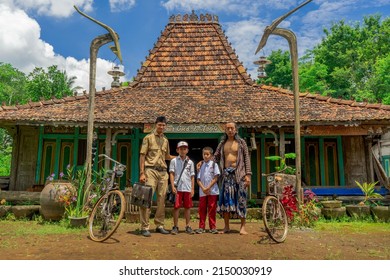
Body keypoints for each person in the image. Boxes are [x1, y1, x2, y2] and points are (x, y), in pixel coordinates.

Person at [139, 116, 175, 237]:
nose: (161, 127)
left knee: (162, 199)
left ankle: (159, 225)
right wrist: (142, 173)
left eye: (163, 125)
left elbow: (167, 157)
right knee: (147, 199)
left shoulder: (166, 140)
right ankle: (144, 226)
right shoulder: (148, 138)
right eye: (160, 125)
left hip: (163, 172)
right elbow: (142, 156)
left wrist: (182, 157)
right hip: (150, 171)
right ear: (156, 125)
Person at [214, 122, 251, 235]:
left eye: (232, 128)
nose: (230, 130)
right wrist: (203, 163)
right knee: (225, 200)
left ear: (236, 130)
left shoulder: (241, 143)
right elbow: (216, 157)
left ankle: (243, 227)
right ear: (225, 130)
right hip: (226, 175)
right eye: (228, 128)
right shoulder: (222, 143)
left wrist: (248, 175)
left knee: (241, 199)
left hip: (239, 174)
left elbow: (246, 158)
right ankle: (226, 227)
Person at [169, 141, 195, 235]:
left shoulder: (190, 162)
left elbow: (192, 176)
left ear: (187, 150)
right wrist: (172, 186)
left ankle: (188, 226)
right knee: (176, 207)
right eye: (181, 149)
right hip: (178, 187)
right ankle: (175, 226)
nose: (183, 151)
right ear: (177, 150)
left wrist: (192, 188)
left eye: (184, 149)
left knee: (187, 207)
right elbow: (171, 174)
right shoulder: (174, 161)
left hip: (187, 187)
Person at [195, 146, 220, 234]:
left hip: (212, 191)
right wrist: (203, 188)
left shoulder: (214, 165)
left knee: (212, 209)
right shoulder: (200, 165)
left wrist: (208, 187)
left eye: (207, 154)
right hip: (203, 192)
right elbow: (198, 179)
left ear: (211, 155)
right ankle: (201, 227)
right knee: (202, 209)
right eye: (204, 154)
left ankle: (213, 227)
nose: (206, 156)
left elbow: (216, 178)